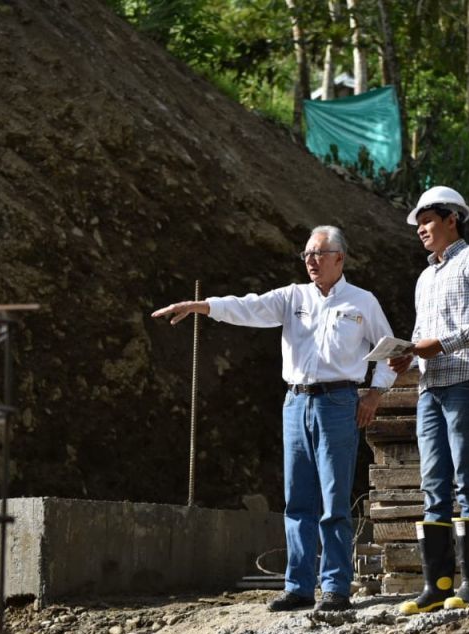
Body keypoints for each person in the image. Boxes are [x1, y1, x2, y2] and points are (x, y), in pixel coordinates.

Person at [151, 226, 396, 612]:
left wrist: (376, 393)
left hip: (339, 401)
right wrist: (201, 306)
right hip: (296, 403)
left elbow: (391, 352)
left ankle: (335, 587)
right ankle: (298, 586)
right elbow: (248, 307)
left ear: (340, 258)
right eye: (306, 255)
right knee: (297, 498)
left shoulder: (362, 302)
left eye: (319, 253)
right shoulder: (292, 297)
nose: (311, 261)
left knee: (334, 498)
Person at [388, 186, 469, 614]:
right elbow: (423, 335)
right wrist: (408, 355)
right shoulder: (425, 277)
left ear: (452, 218)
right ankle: (436, 586)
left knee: (466, 479)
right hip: (430, 387)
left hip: (468, 381)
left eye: (427, 221)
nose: (421, 230)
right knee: (432, 485)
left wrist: (441, 345)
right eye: (418, 224)